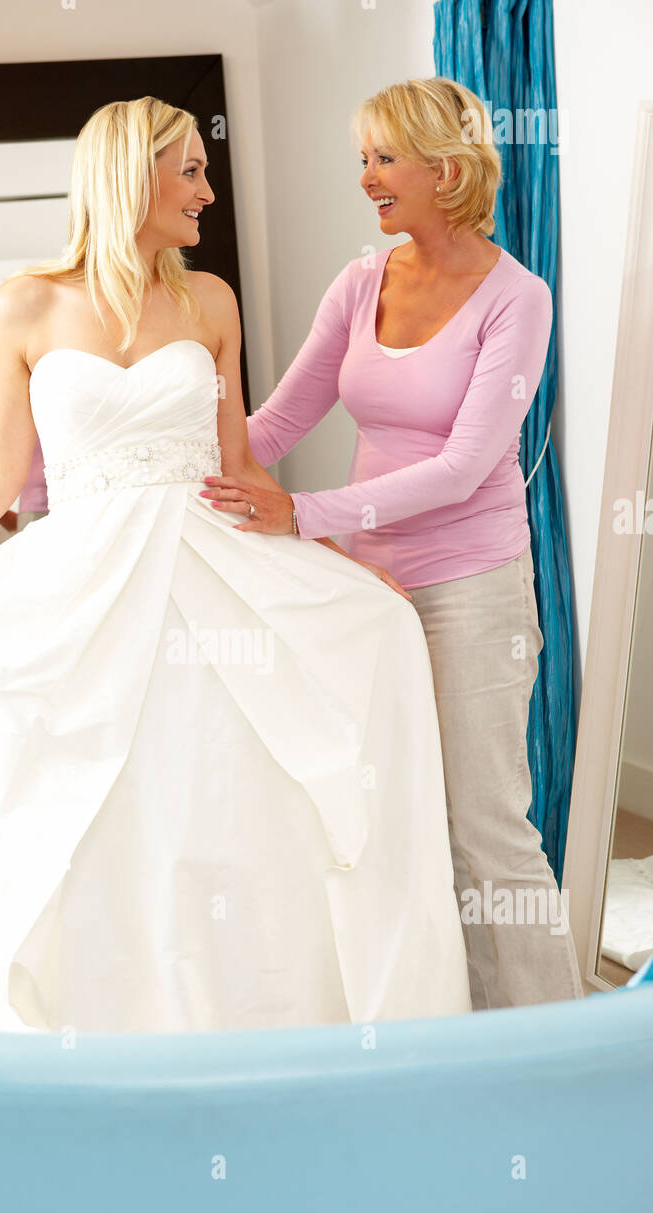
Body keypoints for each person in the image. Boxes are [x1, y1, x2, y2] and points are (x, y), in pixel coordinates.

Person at [0, 96, 471, 1034]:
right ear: (136, 175)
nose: (206, 192)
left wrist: (335, 557)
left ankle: (241, 1023)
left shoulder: (210, 302)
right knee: (88, 799)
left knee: (221, 794)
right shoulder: (24, 304)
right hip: (81, 571)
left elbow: (243, 467)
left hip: (206, 560)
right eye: (192, 172)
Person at [225, 77, 582, 1009]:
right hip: (360, 590)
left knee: (486, 826)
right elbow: (275, 425)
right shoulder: (361, 281)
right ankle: (444, 1027)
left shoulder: (519, 299)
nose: (366, 178)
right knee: (385, 815)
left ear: (447, 169)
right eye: (363, 159)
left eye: (384, 158)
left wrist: (303, 516)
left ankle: (552, 1040)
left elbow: (466, 467)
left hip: (471, 586)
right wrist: (160, 467)